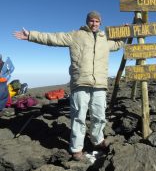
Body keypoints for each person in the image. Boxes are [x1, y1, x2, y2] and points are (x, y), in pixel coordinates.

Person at [13, 11, 125, 161]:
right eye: (91, 21)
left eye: (97, 21)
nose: (94, 23)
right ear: (87, 22)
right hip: (80, 83)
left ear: (100, 23)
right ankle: (77, 148)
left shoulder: (105, 39)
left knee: (99, 116)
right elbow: (53, 38)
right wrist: (31, 36)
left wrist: (125, 33)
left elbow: (117, 45)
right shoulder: (75, 35)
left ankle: (97, 140)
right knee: (79, 116)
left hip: (99, 84)